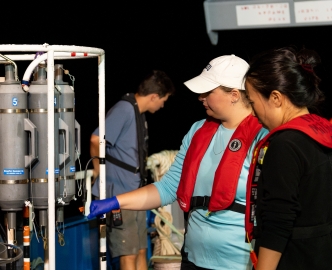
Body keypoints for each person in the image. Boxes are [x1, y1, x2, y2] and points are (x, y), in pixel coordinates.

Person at [88, 55, 269, 270]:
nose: (200, 97)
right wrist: (115, 202)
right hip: (192, 260)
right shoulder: (197, 131)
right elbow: (167, 188)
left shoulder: (263, 137)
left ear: (234, 95)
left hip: (240, 263)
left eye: (208, 92)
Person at [244, 47, 332, 270]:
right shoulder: (324, 132)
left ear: (275, 97)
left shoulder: (285, 145)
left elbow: (279, 220)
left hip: (294, 258)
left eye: (253, 103)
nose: (253, 114)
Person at [89, 70, 175, 270]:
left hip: (134, 193)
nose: (162, 105)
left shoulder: (138, 113)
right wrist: (97, 171)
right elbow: (96, 139)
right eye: (163, 100)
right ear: (154, 96)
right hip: (119, 193)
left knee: (140, 250)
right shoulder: (124, 109)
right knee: (127, 254)